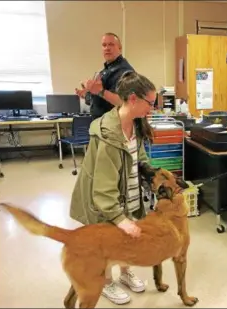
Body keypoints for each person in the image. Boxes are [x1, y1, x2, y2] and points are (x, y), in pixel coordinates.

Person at [69, 71, 156, 305]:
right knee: (108, 243)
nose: (153, 108)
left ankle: (125, 273)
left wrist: (154, 175)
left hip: (127, 194)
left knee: (124, 241)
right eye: (151, 103)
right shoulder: (109, 135)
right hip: (103, 201)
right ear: (134, 99)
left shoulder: (133, 124)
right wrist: (120, 218)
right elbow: (104, 190)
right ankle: (106, 283)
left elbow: (140, 158)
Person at [75, 32, 135, 120]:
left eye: (111, 44)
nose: (107, 48)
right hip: (101, 123)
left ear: (120, 48)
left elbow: (124, 102)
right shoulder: (105, 70)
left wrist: (100, 91)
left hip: (113, 126)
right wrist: (86, 95)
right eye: (104, 45)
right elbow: (99, 100)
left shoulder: (124, 71)